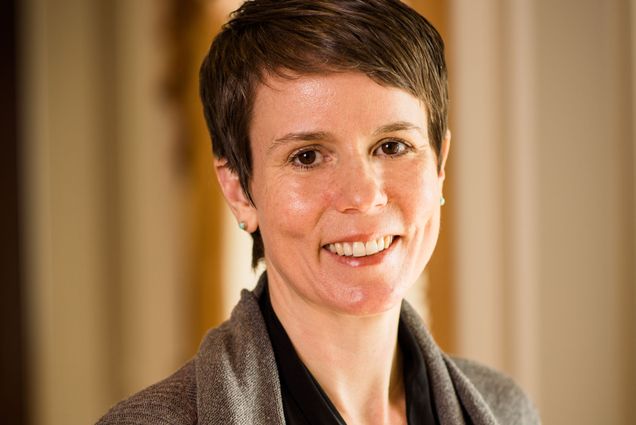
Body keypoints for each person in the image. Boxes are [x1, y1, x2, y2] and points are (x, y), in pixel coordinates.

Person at [98, 1, 540, 424]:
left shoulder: (506, 408)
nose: (363, 196)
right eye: (307, 156)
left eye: (393, 147)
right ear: (238, 191)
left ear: (440, 166)